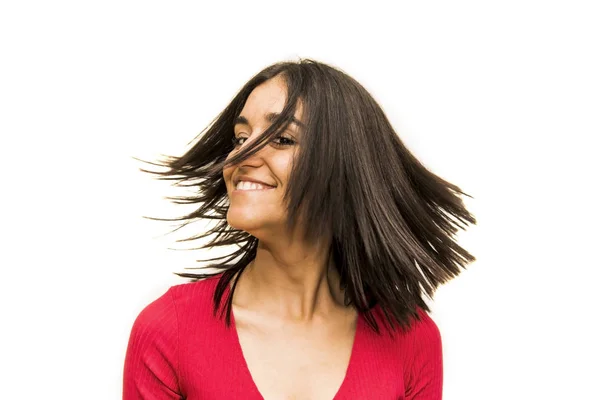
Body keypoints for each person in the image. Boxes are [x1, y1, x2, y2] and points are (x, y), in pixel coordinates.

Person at [123, 58, 476, 399]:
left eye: (282, 139)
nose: (241, 156)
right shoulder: (169, 330)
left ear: (342, 167)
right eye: (241, 137)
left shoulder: (412, 341)